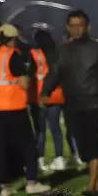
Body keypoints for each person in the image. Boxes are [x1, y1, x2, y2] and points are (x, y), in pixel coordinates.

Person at [0, 24, 49, 196]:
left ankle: (5, 186)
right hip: (13, 107)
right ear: (13, 38)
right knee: (27, 145)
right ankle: (31, 182)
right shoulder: (12, 55)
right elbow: (24, 83)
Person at [42, 11, 98, 196]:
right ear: (67, 27)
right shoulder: (62, 51)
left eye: (80, 25)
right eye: (73, 25)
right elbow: (54, 74)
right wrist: (45, 92)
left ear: (87, 27)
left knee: (93, 142)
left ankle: (92, 185)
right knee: (83, 145)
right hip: (72, 103)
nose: (77, 29)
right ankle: (97, 179)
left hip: (95, 102)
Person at [30, 30, 70, 173]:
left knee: (40, 131)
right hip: (55, 94)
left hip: (37, 95)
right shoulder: (57, 53)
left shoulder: (33, 54)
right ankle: (59, 158)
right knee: (56, 129)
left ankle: (40, 160)